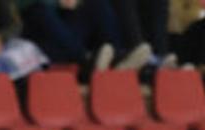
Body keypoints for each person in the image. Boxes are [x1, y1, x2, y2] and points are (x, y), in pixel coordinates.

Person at [15, 0, 148, 75]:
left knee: (98, 5)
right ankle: (87, 62)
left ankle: (116, 58)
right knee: (40, 10)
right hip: (38, 33)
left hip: (68, 24)